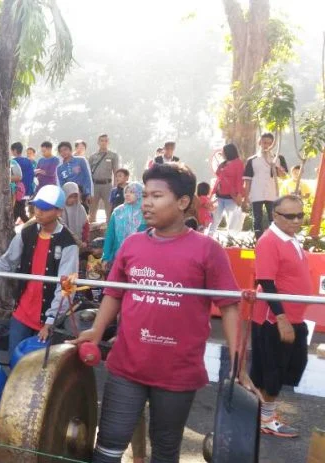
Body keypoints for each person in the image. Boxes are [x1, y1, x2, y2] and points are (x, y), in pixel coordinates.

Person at [71, 163, 247, 463]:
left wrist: (238, 364)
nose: (147, 203)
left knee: (165, 448)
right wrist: (97, 330)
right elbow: (114, 293)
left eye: (157, 195)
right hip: (127, 365)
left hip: (178, 372)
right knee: (109, 443)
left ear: (182, 202)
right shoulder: (132, 245)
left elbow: (230, 306)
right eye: (146, 195)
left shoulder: (207, 250)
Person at [0, 185, 79, 353]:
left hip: (47, 318)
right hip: (22, 312)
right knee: (16, 361)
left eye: (45, 208)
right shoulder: (26, 233)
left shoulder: (68, 244)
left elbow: (67, 288)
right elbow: (7, 261)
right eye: (36, 206)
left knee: (36, 372)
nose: (38, 211)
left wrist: (50, 321)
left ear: (59, 212)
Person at [250, 195, 310, 438]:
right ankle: (265, 419)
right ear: (275, 216)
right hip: (273, 319)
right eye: (290, 216)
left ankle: (263, 414)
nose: (297, 220)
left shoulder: (290, 238)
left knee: (290, 367)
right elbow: (266, 282)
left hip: (293, 317)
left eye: (300, 215)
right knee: (271, 371)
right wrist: (282, 319)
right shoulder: (269, 241)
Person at [244, 133, 288, 239]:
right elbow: (247, 180)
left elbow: (283, 176)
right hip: (256, 192)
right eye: (264, 142)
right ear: (260, 142)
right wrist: (246, 197)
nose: (266, 145)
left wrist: (277, 167)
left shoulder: (278, 158)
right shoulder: (252, 160)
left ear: (273, 144)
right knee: (257, 219)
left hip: (272, 193)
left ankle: (273, 239)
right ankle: (258, 241)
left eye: (269, 143)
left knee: (273, 218)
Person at [103, 183, 147, 268]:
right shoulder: (117, 212)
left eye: (132, 192)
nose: (127, 194)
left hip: (140, 259)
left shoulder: (145, 213)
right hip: (119, 257)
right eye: (126, 192)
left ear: (139, 194)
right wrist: (106, 257)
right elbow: (110, 236)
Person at [208, 143, 245, 236]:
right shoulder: (224, 163)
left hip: (231, 197)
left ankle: (232, 240)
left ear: (229, 152)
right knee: (215, 219)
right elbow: (218, 175)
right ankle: (209, 237)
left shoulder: (238, 163)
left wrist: (239, 194)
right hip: (219, 196)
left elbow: (239, 180)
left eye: (223, 152)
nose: (222, 153)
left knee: (232, 221)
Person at [88, 134, 120, 222]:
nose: (103, 143)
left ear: (108, 142)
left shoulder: (113, 156)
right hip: (94, 185)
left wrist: (116, 186)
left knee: (109, 210)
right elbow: (88, 173)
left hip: (107, 186)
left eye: (106, 141)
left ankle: (108, 231)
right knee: (92, 211)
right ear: (98, 142)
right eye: (102, 140)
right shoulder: (93, 157)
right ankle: (92, 232)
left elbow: (116, 171)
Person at [61, 182, 90, 249]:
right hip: (64, 243)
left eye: (75, 196)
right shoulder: (60, 209)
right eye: (70, 197)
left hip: (80, 244)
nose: (73, 199)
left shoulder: (80, 208)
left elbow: (86, 226)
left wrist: (85, 241)